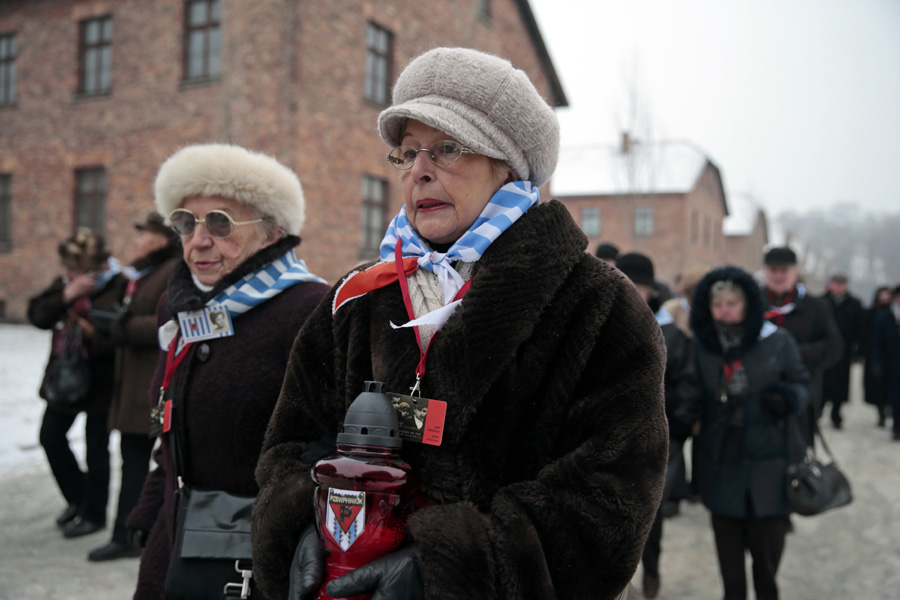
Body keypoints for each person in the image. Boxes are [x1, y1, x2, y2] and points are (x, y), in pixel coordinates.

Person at [252, 47, 668, 600]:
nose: (420, 170)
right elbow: (290, 446)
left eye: (448, 148)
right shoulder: (357, 298)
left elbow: (606, 503)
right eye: (407, 153)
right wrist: (306, 523)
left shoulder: (599, 305)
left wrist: (448, 566)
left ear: (509, 167)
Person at [125, 144, 330, 599]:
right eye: (186, 222)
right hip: (174, 542)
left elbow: (328, 449)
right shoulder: (179, 305)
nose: (198, 239)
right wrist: (150, 511)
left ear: (272, 232)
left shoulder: (310, 310)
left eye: (220, 222)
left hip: (257, 560)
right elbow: (170, 426)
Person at [689, 266, 811, 600]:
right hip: (722, 465)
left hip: (770, 467)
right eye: (717, 304)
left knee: (766, 568)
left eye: (732, 303)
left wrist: (789, 398)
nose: (724, 310)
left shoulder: (776, 341)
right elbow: (690, 394)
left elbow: (804, 385)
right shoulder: (701, 346)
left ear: (748, 305)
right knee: (731, 574)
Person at [87, 212, 181, 562]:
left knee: (142, 462)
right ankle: (131, 532)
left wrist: (122, 325)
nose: (135, 241)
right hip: (135, 389)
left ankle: (129, 535)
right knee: (135, 460)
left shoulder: (170, 271)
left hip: (151, 392)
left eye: (142, 235)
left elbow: (170, 323)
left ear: (160, 239)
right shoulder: (147, 272)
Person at [28, 228, 127, 538]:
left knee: (96, 449)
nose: (67, 273)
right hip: (65, 380)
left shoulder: (118, 285)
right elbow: (38, 315)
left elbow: (123, 337)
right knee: (51, 437)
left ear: (91, 268)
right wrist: (67, 295)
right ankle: (78, 498)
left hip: (102, 381)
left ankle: (94, 514)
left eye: (73, 268)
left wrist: (92, 334)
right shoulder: (65, 285)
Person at [617, 253, 697, 599]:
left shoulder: (673, 336)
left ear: (652, 291)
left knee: (652, 512)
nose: (634, 292)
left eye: (640, 286)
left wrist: (672, 425)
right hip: (612, 436)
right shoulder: (604, 323)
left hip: (656, 438)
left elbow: (687, 387)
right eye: (627, 284)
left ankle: (651, 569)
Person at [762, 247, 842, 435]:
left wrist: (793, 355)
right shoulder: (752, 304)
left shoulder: (815, 307)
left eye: (784, 271)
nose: (778, 276)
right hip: (759, 393)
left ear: (795, 273)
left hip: (801, 392)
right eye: (773, 270)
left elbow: (833, 346)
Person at [820, 274, 864, 429]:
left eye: (841, 284)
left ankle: (836, 414)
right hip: (823, 349)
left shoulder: (854, 304)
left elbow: (860, 329)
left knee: (840, 385)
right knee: (822, 382)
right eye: (836, 284)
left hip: (844, 351)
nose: (838, 287)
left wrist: (859, 350)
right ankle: (818, 411)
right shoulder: (820, 302)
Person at [869, 285, 900, 440]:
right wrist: (876, 361)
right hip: (892, 363)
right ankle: (896, 427)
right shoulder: (884, 316)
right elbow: (876, 341)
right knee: (895, 397)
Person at [862, 286, 892, 426]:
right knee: (878, 387)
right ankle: (881, 414)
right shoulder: (871, 313)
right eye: (882, 295)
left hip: (892, 356)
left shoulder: (893, 313)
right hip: (876, 353)